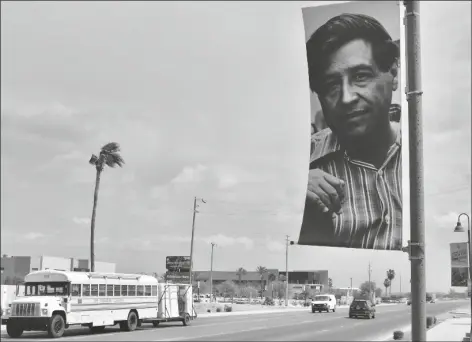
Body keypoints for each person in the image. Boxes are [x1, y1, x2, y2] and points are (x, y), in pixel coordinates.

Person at [298, 13, 402, 250]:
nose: (346, 97)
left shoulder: (427, 157)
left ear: (393, 74)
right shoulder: (299, 164)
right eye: (331, 85)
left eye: (361, 76)